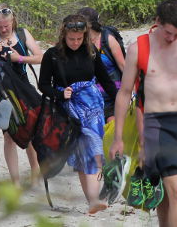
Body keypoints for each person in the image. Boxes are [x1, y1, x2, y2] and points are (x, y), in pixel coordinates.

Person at [110, 0, 177, 227]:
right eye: (168, 32)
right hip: (157, 125)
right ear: (157, 21)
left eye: (176, 33)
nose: (171, 38)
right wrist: (118, 138)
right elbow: (124, 93)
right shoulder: (139, 47)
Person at [38, 14, 118, 214]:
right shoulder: (52, 55)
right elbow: (43, 85)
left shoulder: (91, 52)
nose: (75, 42)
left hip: (93, 108)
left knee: (93, 150)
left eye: (79, 39)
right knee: (82, 155)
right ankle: (93, 200)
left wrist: (120, 100)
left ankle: (93, 200)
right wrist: (59, 94)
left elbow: (105, 80)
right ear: (63, 35)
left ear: (85, 36)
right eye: (71, 39)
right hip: (68, 111)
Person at [0, 5, 43, 187]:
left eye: (6, 26)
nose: (3, 29)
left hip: (23, 88)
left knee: (30, 131)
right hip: (2, 91)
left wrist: (20, 58)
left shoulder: (22, 34)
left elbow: (40, 57)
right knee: (8, 135)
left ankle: (35, 173)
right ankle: (15, 181)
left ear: (12, 20)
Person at [78, 7, 125, 122]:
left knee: (112, 121)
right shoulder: (78, 41)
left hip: (113, 90)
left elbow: (123, 66)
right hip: (91, 94)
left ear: (89, 25)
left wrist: (132, 92)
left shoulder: (108, 39)